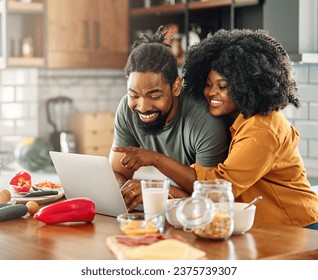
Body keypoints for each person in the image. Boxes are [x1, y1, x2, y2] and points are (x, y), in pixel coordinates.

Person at [115, 29, 318, 229]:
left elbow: (217, 190)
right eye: (208, 84)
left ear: (244, 86)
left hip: (298, 227)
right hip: (264, 227)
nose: (211, 92)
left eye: (222, 86)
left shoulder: (262, 130)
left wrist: (155, 163)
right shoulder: (236, 119)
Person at [110, 26, 229, 211]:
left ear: (176, 87)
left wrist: (153, 187)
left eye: (154, 96)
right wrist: (122, 192)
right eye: (134, 95)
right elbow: (117, 172)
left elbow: (211, 197)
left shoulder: (206, 122)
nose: (142, 107)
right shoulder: (126, 109)